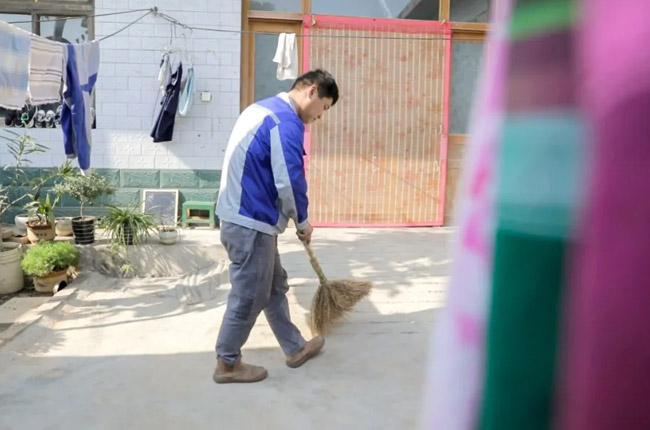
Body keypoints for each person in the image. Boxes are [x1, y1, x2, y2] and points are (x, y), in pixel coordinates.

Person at [213, 69, 339, 384]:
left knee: (273, 285)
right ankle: (227, 362)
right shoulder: (285, 121)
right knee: (250, 294)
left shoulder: (263, 109)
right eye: (324, 107)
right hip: (250, 220)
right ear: (312, 91)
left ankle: (295, 347)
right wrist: (303, 221)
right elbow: (290, 179)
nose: (320, 116)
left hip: (247, 217)